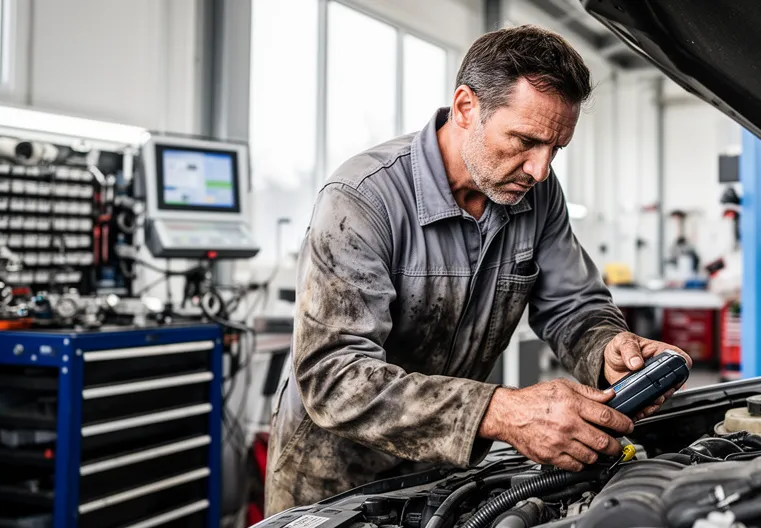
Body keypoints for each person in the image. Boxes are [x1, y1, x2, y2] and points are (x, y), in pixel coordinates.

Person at [265, 24, 691, 515]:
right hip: (335, 485)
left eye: (555, 149)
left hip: (445, 472)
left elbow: (573, 306)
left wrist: (609, 350)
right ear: (466, 107)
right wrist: (501, 410)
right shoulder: (362, 199)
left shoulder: (537, 194)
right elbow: (334, 377)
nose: (540, 170)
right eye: (525, 140)